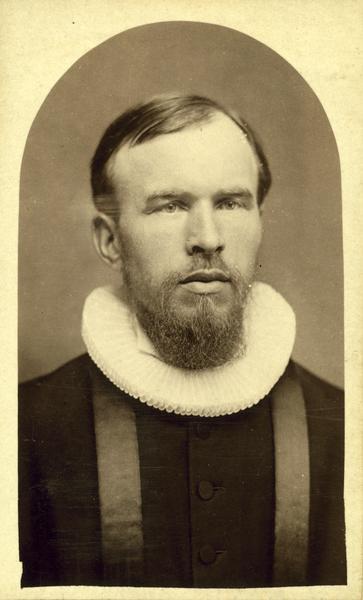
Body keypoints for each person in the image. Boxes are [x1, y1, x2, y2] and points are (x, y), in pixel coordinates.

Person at [19, 94, 346, 588]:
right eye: (170, 206)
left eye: (232, 203)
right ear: (111, 241)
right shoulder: (23, 428)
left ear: (259, 221)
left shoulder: (345, 427)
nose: (208, 238)